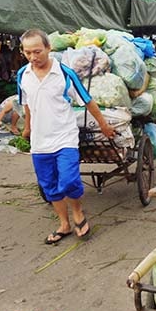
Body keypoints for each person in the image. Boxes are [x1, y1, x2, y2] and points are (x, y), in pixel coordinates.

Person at [18, 29, 115, 245]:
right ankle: (64, 224)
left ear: (48, 48)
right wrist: (27, 128)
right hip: (40, 143)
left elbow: (88, 100)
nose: (33, 57)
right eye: (27, 53)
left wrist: (104, 125)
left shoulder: (64, 74)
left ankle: (78, 213)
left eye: (37, 51)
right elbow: (27, 104)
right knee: (49, 186)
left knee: (69, 181)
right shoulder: (22, 75)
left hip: (65, 138)